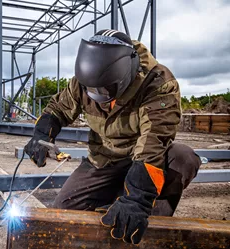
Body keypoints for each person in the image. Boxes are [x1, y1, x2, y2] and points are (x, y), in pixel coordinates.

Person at [24, 29, 201, 244]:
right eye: (92, 90)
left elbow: (154, 142)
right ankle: (118, 194)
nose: (100, 99)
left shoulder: (158, 84)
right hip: (104, 159)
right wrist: (42, 133)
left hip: (144, 157)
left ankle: (151, 223)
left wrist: (137, 199)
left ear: (125, 74)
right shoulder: (85, 80)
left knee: (183, 157)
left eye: (106, 91)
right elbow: (58, 108)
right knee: (65, 210)